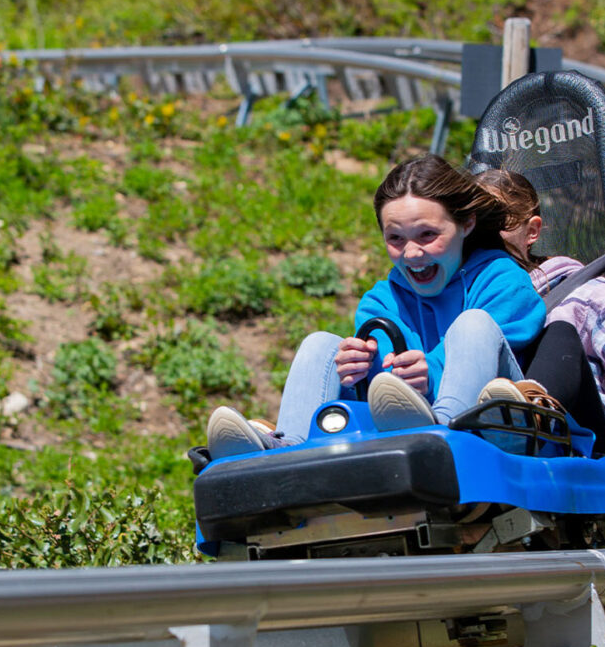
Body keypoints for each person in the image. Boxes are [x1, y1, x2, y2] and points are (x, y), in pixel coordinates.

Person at [206, 155, 546, 458]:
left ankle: (444, 428)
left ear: (466, 224)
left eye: (427, 235)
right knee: (321, 344)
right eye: (395, 238)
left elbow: (502, 346)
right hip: (400, 427)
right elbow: (387, 391)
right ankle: (290, 449)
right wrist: (356, 376)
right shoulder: (380, 303)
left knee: (474, 323)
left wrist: (432, 370)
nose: (411, 253)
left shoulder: (501, 280)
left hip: (499, 424)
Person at [475, 168, 605, 456]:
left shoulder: (581, 292)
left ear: (532, 231)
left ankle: (524, 424)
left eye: (497, 223)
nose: (485, 237)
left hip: (585, 442)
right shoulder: (461, 301)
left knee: (558, 333)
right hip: (484, 433)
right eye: (474, 227)